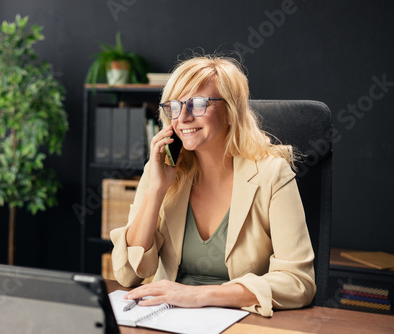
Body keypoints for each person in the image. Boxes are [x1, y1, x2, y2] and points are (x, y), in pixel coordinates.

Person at [110, 55, 316, 317]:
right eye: (174, 106)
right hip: (168, 317)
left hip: (242, 321)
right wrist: (156, 190)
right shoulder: (160, 170)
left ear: (231, 111)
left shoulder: (272, 173)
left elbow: (298, 282)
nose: (182, 117)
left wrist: (199, 295)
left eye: (197, 104)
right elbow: (127, 274)